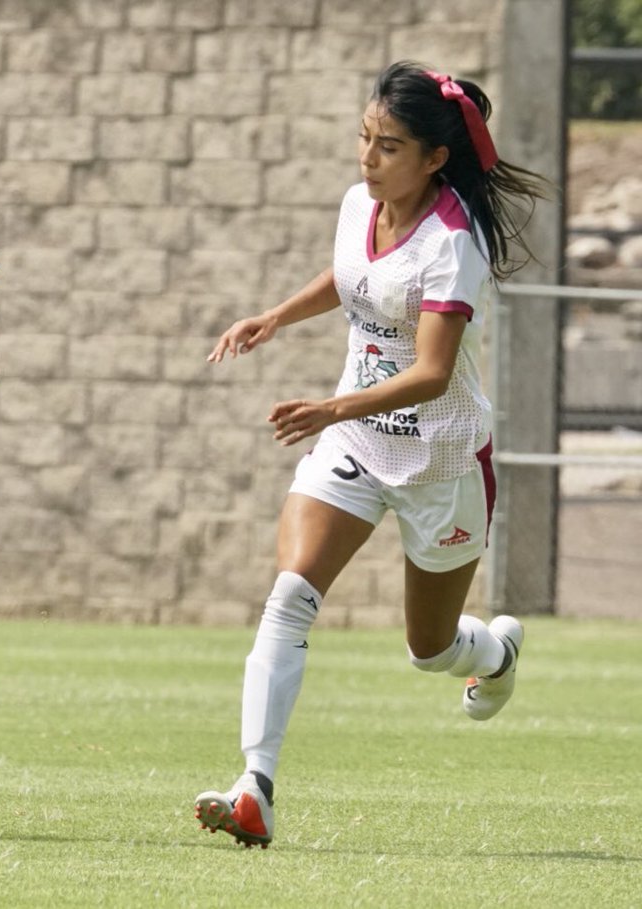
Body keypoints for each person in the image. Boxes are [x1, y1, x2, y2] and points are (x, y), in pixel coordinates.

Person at [195, 61, 549, 848]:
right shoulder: (361, 203)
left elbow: (429, 373)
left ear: (434, 159)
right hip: (354, 443)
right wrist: (277, 317)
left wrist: (330, 404)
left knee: (430, 650)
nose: (367, 157)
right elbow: (355, 277)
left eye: (389, 146)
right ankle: (255, 785)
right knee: (290, 595)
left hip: (441, 460)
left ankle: (492, 653)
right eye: (364, 137)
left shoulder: (455, 244)